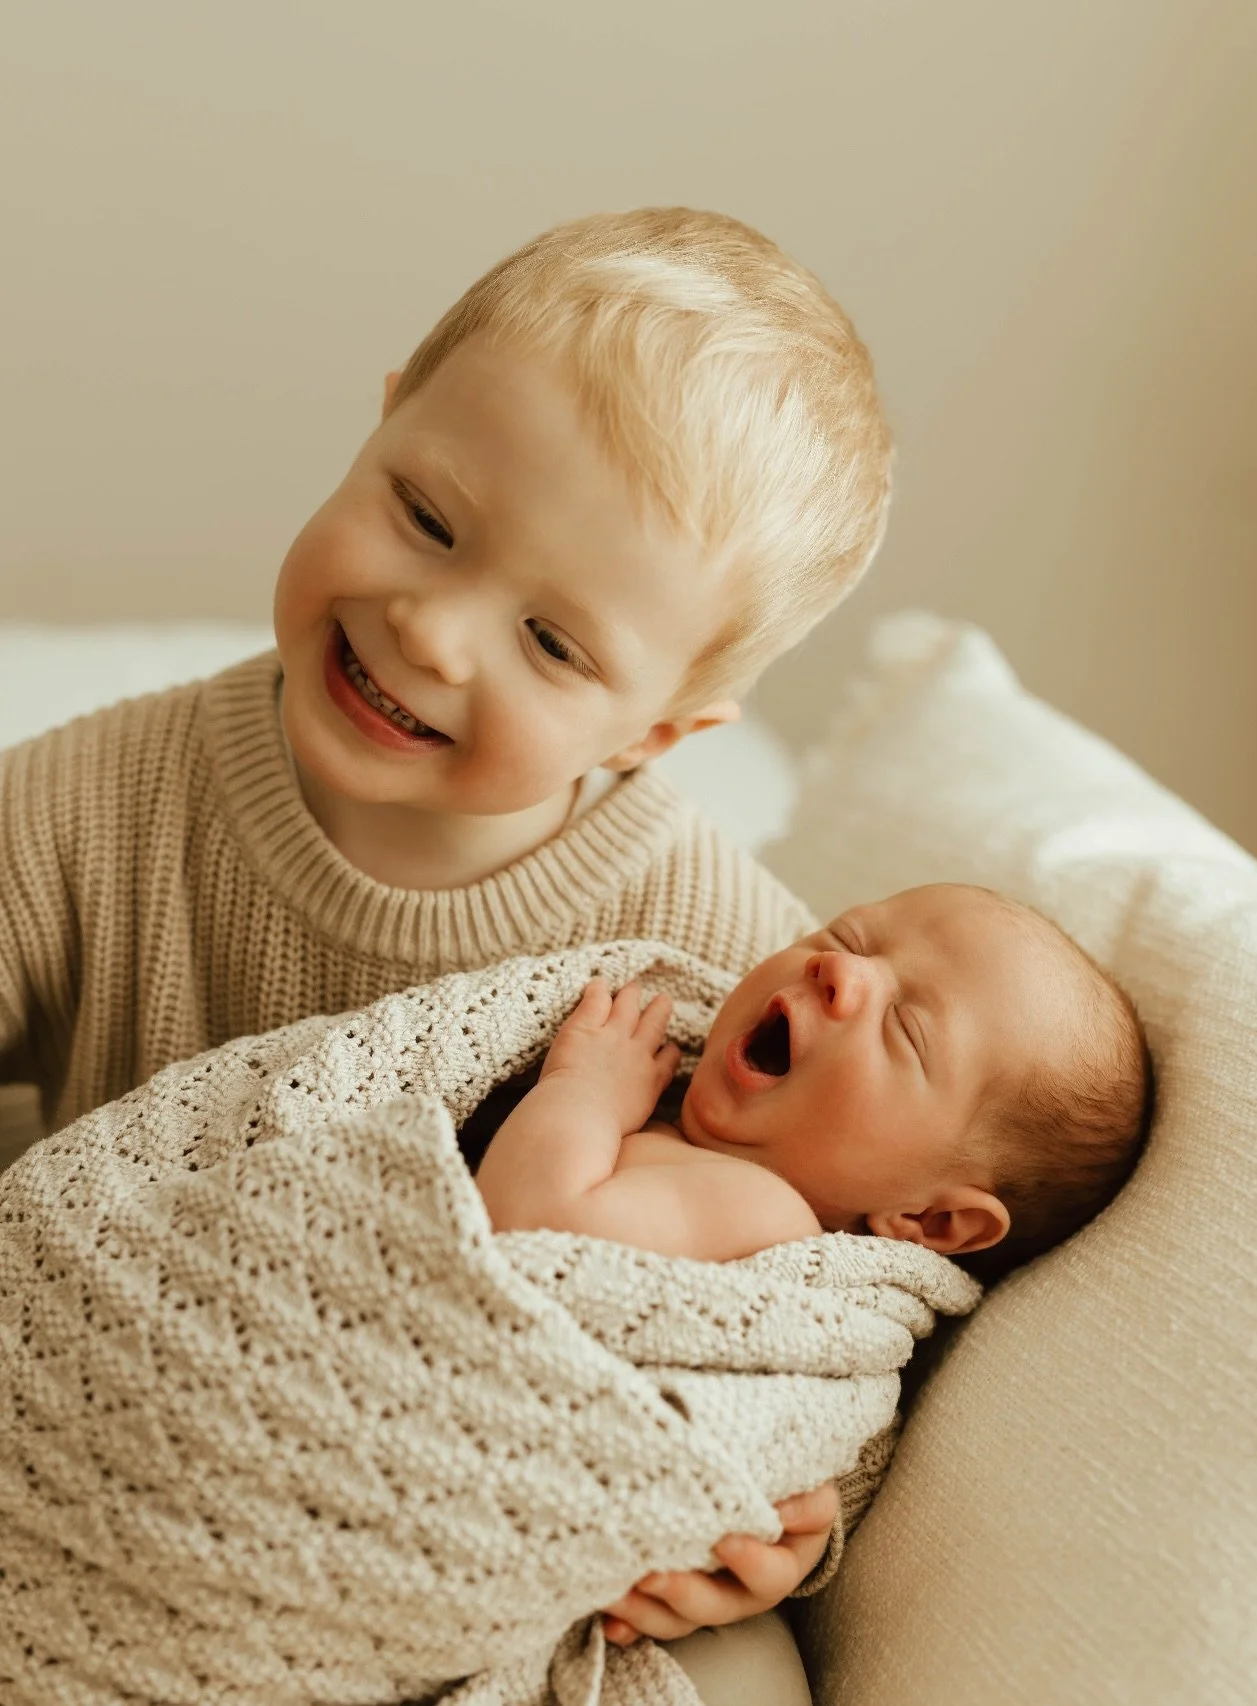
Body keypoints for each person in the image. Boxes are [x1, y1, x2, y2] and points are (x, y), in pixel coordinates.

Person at [0, 207, 891, 1698]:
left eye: (554, 643)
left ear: (662, 729)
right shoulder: (103, 798)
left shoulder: (711, 953)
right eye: (426, 515)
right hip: (133, 1444)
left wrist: (803, 1520)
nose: (433, 629)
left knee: (734, 1668)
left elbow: (829, 1316)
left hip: (455, 1517)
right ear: (389, 409)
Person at [478, 884, 1154, 1280]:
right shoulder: (679, 1107)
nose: (841, 970)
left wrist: (583, 1091)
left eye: (906, 1027)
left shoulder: (767, 1217)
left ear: (930, 1219)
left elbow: (529, 1235)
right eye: (853, 938)